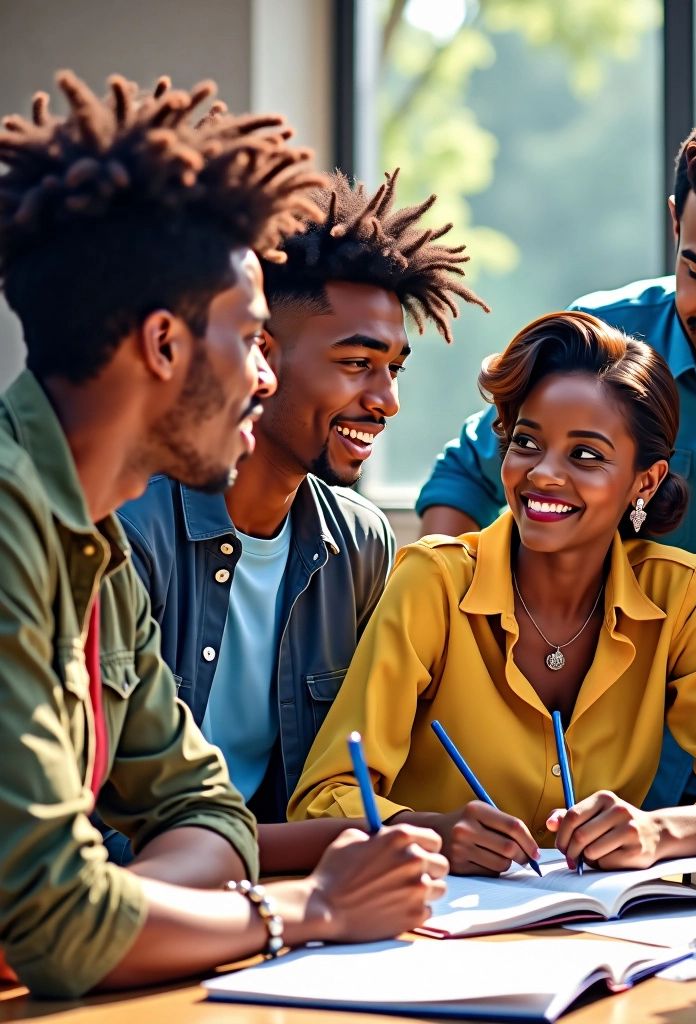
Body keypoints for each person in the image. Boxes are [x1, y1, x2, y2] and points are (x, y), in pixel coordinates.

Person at [0, 71, 446, 998]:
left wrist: (120, 919)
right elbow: (57, 922)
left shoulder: (87, 543)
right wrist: (306, 914)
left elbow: (203, 805)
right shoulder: (13, 527)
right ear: (164, 346)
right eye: (250, 340)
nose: (264, 377)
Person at [416, 103, 696, 807]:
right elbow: (468, 472)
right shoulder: (610, 348)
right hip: (624, 787)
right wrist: (464, 652)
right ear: (675, 224)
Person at [291, 311, 696, 873]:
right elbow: (324, 798)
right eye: (527, 442)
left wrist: (657, 831)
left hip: (599, 933)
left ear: (645, 481)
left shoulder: (679, 596)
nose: (544, 474)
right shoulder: (432, 582)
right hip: (432, 926)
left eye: (585, 455)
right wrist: (434, 833)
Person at [115, 169, 488, 838]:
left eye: (394, 368)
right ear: (260, 354)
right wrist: (387, 840)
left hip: (298, 901)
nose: (386, 400)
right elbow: (113, 835)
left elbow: (349, 780)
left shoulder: (361, 544)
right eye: (356, 363)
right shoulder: (132, 531)